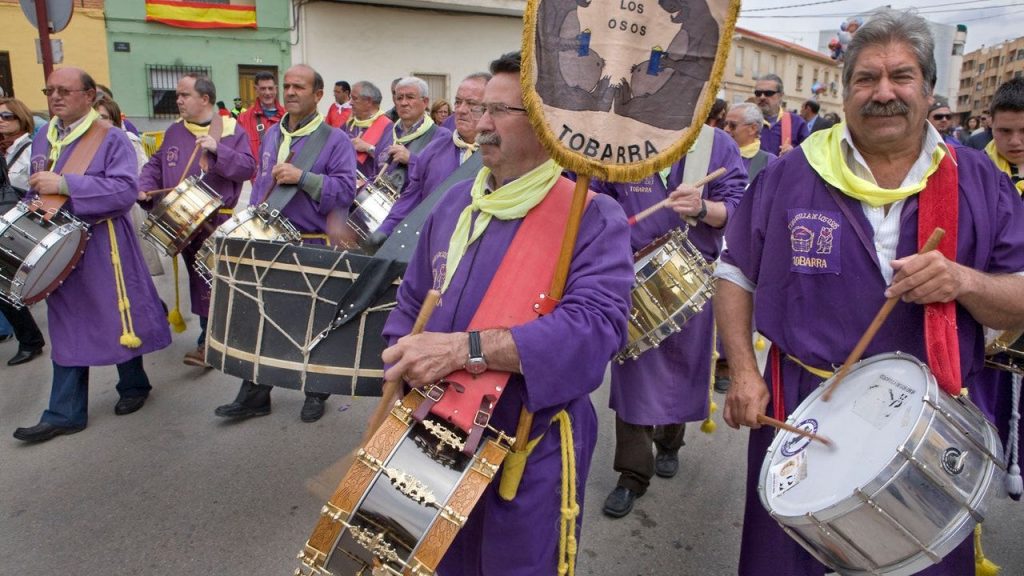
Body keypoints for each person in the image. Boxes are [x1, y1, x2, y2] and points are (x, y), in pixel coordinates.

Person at [715, 10, 1024, 575]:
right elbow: (735, 272)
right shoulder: (792, 173)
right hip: (805, 409)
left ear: (930, 91)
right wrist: (742, 371)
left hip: (928, 423)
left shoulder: (979, 179)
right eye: (866, 79)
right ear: (845, 90)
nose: (884, 93)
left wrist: (962, 280)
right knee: (787, 562)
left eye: (901, 77)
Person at [380, 51, 633, 575]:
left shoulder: (591, 215)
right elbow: (412, 302)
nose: (481, 123)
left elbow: (596, 329)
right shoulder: (453, 205)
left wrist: (464, 349)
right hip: (434, 430)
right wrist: (402, 355)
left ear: (546, 125)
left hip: (527, 442)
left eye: (501, 111)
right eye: (477, 108)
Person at [595, 122, 747, 519]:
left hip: (693, 273)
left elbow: (737, 208)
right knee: (633, 373)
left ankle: (670, 442)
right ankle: (632, 474)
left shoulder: (717, 144)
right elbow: (598, 196)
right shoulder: (622, 139)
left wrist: (703, 208)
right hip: (629, 272)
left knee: (683, 367)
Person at [13, 67, 171, 443]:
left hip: (104, 245)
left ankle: (133, 385)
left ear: (89, 96)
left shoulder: (111, 137)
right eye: (50, 90)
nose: (55, 97)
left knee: (116, 316)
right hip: (57, 244)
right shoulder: (43, 137)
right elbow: (37, 188)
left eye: (65, 91)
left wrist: (66, 183)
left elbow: (122, 192)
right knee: (67, 323)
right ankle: (64, 412)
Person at [214, 64, 356, 423]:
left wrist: (304, 178)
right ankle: (254, 395)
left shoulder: (334, 139)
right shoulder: (274, 133)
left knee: (313, 322)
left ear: (318, 95)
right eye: (287, 86)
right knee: (261, 319)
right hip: (269, 239)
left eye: (300, 87)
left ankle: (316, 392)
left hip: (311, 243)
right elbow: (262, 183)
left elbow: (345, 190)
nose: (290, 92)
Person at [138, 73, 256, 367]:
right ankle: (213, 339)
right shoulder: (175, 130)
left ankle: (211, 343)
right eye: (178, 95)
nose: (178, 100)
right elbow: (156, 163)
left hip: (214, 223)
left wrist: (218, 149)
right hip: (181, 222)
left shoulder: (229, 129)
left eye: (184, 95)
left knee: (212, 283)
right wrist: (144, 184)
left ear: (204, 99)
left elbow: (247, 167)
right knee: (198, 282)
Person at [374, 72, 490, 241]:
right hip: (436, 245)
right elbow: (410, 199)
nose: (461, 110)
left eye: (471, 104)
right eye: (458, 102)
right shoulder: (434, 150)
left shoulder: (501, 155)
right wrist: (385, 229)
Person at [94, 97, 165, 278]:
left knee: (134, 268)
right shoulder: (87, 144)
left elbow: (143, 170)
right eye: (96, 117)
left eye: (105, 117)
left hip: (128, 208)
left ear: (115, 119)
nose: (100, 121)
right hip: (99, 213)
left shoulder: (128, 140)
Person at [0, 97, 47, 366]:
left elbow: (39, 187)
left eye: (8, 116)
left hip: (25, 223)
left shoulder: (31, 149)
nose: (1, 121)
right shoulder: (1, 150)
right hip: (4, 223)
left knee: (47, 281)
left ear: (21, 119)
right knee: (6, 285)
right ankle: (29, 340)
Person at [371, 77, 451, 199]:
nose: (403, 103)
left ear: (425, 102)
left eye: (410, 97)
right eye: (399, 98)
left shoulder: (441, 136)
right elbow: (376, 170)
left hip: (416, 212)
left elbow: (441, 181)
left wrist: (412, 160)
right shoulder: (389, 131)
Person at [343, 81, 392, 178]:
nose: (350, 103)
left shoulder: (387, 127)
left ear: (368, 101)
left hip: (368, 186)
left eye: (354, 98)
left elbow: (390, 162)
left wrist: (368, 148)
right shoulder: (349, 123)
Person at [754, 74, 809, 156]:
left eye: (768, 93)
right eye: (758, 93)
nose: (762, 97)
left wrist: (794, 153)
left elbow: (809, 156)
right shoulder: (745, 120)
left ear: (781, 95)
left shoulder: (797, 123)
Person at [724, 102, 777, 182]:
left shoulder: (769, 162)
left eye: (732, 125)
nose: (726, 129)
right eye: (725, 124)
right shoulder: (716, 153)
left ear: (752, 129)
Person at [237, 71, 283, 160]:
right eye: (263, 89)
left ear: (276, 89)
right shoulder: (243, 119)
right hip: (255, 173)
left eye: (270, 88)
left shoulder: (288, 115)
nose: (267, 92)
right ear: (256, 90)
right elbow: (239, 153)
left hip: (283, 173)